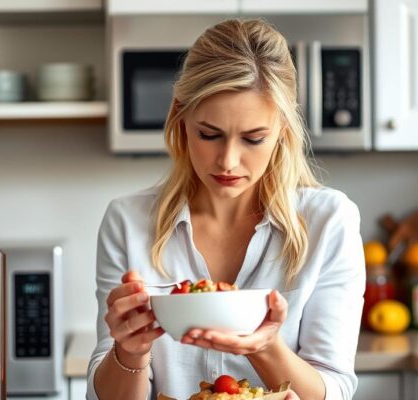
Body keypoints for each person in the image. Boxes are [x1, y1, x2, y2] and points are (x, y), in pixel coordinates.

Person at [87, 18, 365, 400]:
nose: (228, 161)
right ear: (180, 118)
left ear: (282, 129)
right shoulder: (128, 222)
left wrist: (264, 346)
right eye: (210, 134)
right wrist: (129, 351)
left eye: (253, 138)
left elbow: (333, 389)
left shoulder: (330, 221)